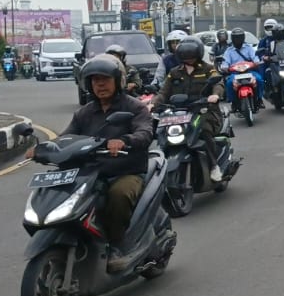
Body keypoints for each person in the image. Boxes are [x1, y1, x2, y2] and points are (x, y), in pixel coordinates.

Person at [53, 55, 154, 271]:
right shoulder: (84, 113)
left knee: (119, 195)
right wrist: (47, 148)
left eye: (105, 79)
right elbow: (66, 137)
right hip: (91, 173)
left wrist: (125, 140)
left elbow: (145, 133)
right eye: (95, 80)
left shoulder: (135, 107)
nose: (100, 84)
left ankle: (117, 244)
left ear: (118, 81)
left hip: (126, 171)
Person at [158, 36, 229, 183]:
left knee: (203, 130)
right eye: (186, 57)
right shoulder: (174, 72)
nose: (189, 60)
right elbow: (163, 93)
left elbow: (218, 83)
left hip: (206, 111)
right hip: (180, 114)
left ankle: (214, 165)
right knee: (161, 131)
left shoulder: (208, 69)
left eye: (192, 57)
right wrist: (152, 104)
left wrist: (215, 95)